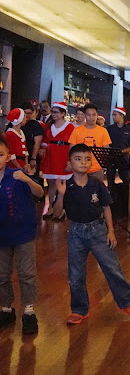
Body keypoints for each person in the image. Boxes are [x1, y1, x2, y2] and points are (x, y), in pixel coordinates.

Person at [53, 144, 130, 325]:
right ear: (70, 163)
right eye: (78, 159)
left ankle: (126, 302)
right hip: (76, 232)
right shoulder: (66, 186)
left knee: (112, 267)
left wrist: (111, 231)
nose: (83, 163)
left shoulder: (97, 184)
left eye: (87, 159)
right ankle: (79, 310)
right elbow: (57, 213)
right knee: (76, 274)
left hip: (98, 231)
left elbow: (106, 207)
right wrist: (61, 195)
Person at [0, 138, 44, 335]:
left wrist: (27, 179)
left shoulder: (17, 175)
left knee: (27, 273)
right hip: (2, 235)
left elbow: (40, 193)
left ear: (8, 156)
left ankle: (29, 310)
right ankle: (6, 308)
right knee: (2, 273)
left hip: (23, 232)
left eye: (0, 155)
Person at [40, 102, 74, 219]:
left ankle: (60, 209)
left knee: (62, 185)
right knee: (51, 184)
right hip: (50, 157)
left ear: (63, 113)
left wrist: (70, 160)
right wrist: (43, 149)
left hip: (63, 156)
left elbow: (72, 144)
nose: (53, 114)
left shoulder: (70, 127)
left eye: (56, 112)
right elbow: (45, 141)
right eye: (52, 112)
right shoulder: (49, 126)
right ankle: (50, 207)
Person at [68, 103, 112, 182]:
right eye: (88, 115)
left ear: (97, 115)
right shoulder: (77, 130)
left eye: (93, 115)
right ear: (85, 115)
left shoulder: (103, 131)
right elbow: (71, 149)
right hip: (79, 168)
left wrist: (104, 164)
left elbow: (106, 150)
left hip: (97, 169)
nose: (91, 117)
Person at [106, 107, 130, 192]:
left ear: (121, 115)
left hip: (123, 157)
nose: (113, 117)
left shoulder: (129, 130)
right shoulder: (109, 129)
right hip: (111, 157)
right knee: (110, 180)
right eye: (113, 115)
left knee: (125, 178)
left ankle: (128, 196)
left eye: (115, 115)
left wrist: (123, 151)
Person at [19, 102, 44, 179]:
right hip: (17, 156)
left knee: (31, 179)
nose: (27, 115)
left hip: (31, 155)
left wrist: (33, 158)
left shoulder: (35, 125)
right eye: (25, 113)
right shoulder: (15, 123)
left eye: (30, 113)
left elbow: (37, 143)